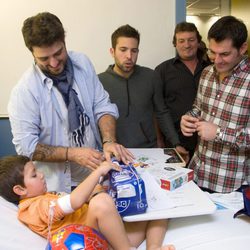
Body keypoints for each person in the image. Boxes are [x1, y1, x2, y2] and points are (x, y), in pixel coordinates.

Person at [8, 12, 133, 194]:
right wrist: (72, 153)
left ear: (64, 40)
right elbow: (27, 147)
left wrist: (108, 141)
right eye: (44, 59)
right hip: (58, 187)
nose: (53, 63)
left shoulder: (82, 62)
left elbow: (102, 105)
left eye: (58, 53)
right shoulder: (24, 92)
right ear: (32, 54)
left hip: (96, 173)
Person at [0, 155, 175, 250]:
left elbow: (77, 202)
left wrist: (95, 190)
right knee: (101, 203)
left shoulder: (44, 197)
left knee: (154, 208)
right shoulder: (34, 207)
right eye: (33, 175)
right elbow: (75, 202)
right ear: (20, 190)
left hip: (109, 235)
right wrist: (98, 172)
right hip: (93, 241)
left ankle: (153, 247)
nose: (41, 175)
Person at [181, 16, 250, 193]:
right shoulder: (206, 73)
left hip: (231, 184)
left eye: (224, 54)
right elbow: (199, 108)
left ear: (243, 48)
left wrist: (219, 133)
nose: (216, 60)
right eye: (212, 52)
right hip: (198, 173)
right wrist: (189, 118)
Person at [98, 24, 188, 159]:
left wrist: (176, 143)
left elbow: (161, 112)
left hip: (148, 151)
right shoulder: (99, 82)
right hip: (115, 153)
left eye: (134, 51)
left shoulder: (151, 77)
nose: (129, 56)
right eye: (123, 50)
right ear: (112, 51)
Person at [155, 22, 211, 161]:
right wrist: (160, 140)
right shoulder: (162, 71)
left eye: (191, 40)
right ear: (175, 43)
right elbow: (157, 110)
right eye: (181, 41)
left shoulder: (211, 69)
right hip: (175, 142)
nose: (187, 45)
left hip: (207, 143)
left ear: (198, 42)